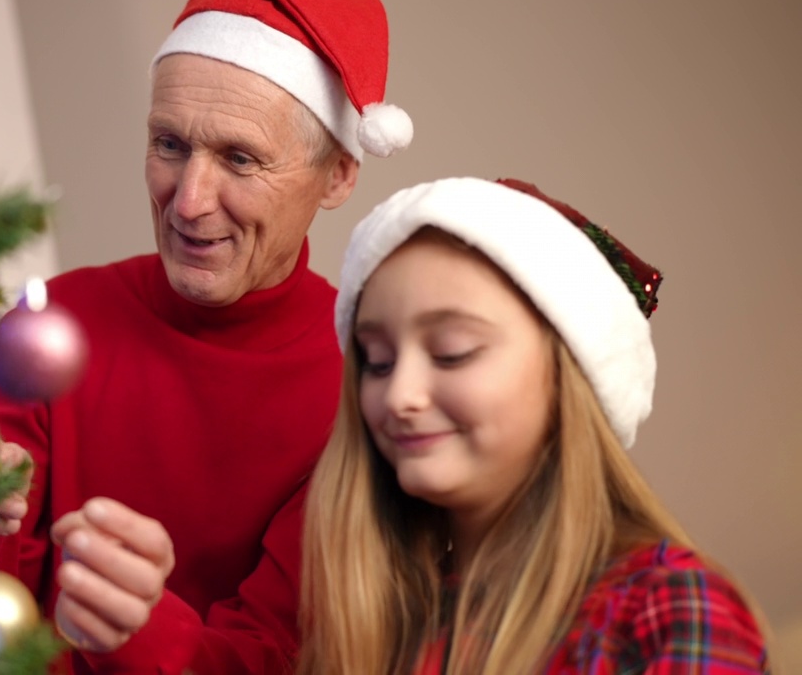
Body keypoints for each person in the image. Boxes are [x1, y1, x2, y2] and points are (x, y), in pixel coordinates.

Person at [0, 0, 413, 672]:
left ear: (338, 175)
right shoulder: (56, 325)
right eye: (169, 144)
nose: (189, 201)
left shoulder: (366, 390)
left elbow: (285, 657)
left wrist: (136, 628)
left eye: (240, 159)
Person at [299, 176, 772, 674]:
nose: (399, 396)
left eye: (451, 352)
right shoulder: (384, 626)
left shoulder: (668, 610)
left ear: (567, 377)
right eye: (377, 362)